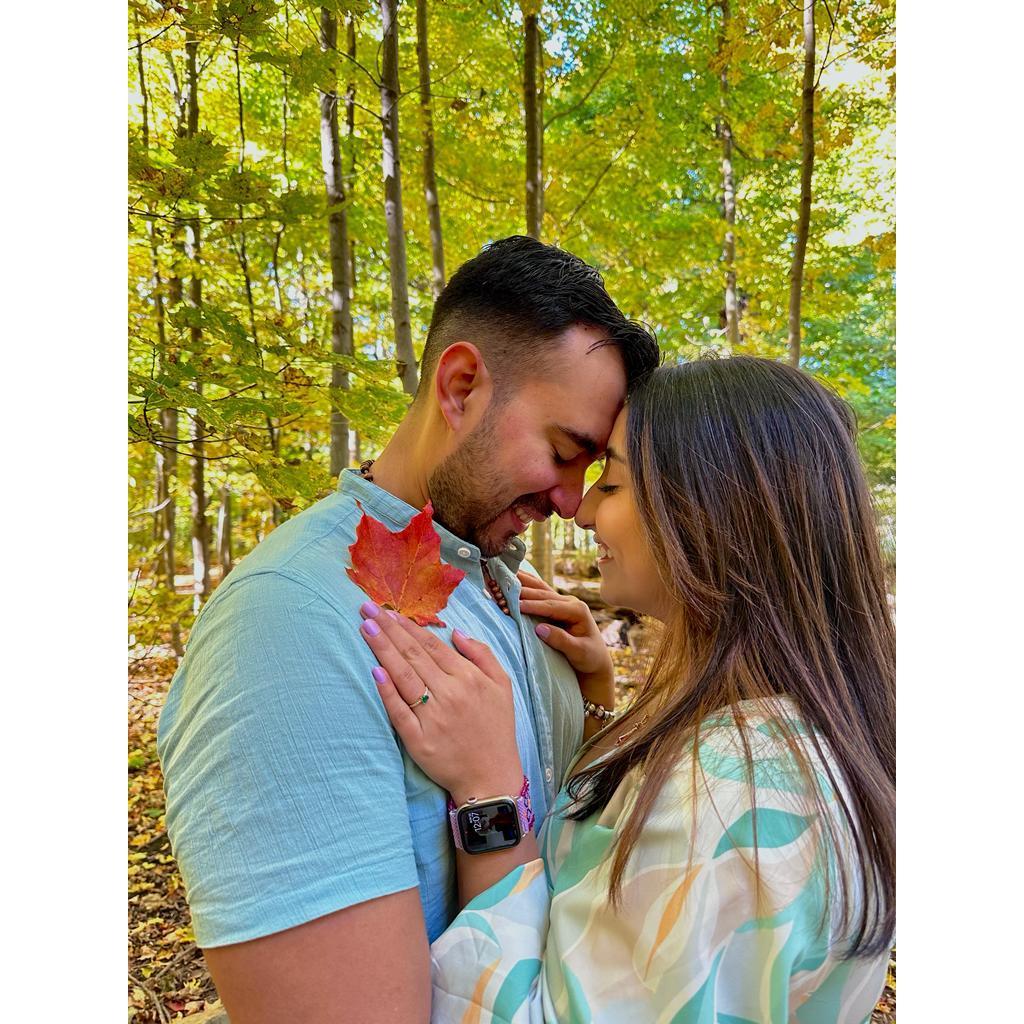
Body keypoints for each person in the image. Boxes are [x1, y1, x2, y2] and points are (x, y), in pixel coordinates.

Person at [155, 235, 659, 1023]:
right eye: (565, 452)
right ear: (460, 387)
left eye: (593, 471)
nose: (572, 501)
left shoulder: (507, 590)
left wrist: (592, 695)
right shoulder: (286, 626)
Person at [360, 356, 896, 1022]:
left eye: (610, 483)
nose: (581, 510)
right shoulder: (790, 733)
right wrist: (599, 702)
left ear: (706, 512)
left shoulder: (731, 796)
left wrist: (489, 793)